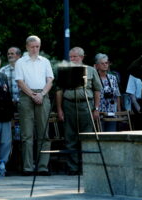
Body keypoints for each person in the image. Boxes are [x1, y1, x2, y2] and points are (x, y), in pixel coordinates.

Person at [56, 47, 102, 175]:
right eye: (70, 57)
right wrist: (60, 110)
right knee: (70, 137)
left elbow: (97, 90)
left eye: (75, 56)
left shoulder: (91, 70)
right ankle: (73, 167)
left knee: (87, 137)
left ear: (82, 57)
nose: (72, 59)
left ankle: (87, 167)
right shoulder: (65, 70)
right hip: (69, 105)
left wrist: (96, 109)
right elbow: (59, 91)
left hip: (86, 105)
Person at [15, 35, 54, 176]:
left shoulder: (45, 61)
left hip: (42, 94)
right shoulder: (20, 62)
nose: (35, 49)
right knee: (27, 134)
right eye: (32, 46)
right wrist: (32, 95)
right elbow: (19, 81)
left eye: (37, 46)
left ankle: (43, 167)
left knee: (44, 133)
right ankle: (27, 167)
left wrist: (42, 94)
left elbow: (50, 80)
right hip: (27, 95)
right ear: (27, 47)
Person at [94, 53, 121, 131]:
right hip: (99, 113)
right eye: (102, 63)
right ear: (97, 65)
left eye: (106, 63)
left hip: (112, 112)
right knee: (100, 135)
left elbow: (117, 95)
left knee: (112, 135)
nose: (105, 65)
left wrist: (119, 111)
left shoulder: (113, 78)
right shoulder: (94, 78)